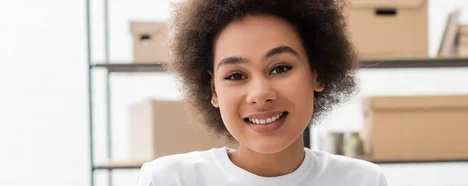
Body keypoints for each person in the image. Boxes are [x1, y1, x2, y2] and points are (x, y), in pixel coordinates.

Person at [136, 0, 388, 185]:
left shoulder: (363, 180)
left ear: (317, 73)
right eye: (236, 76)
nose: (260, 93)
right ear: (213, 90)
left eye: (280, 68)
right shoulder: (168, 180)